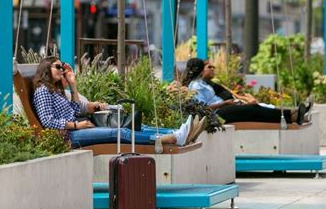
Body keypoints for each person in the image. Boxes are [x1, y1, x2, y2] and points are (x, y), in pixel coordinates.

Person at [32, 57, 206, 148]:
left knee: (132, 126)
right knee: (120, 132)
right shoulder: (42, 91)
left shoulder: (56, 91)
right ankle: (172, 138)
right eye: (58, 67)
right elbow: (48, 122)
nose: (62, 70)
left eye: (62, 67)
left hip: (78, 127)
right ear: (46, 68)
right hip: (68, 136)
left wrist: (73, 85)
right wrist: (76, 126)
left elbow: (76, 109)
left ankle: (177, 133)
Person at [182, 58, 310, 124]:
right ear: (199, 70)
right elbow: (203, 107)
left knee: (254, 108)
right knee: (253, 109)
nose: (206, 70)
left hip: (223, 108)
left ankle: (293, 114)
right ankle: (291, 117)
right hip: (217, 113)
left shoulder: (201, 83)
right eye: (203, 68)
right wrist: (225, 103)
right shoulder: (195, 86)